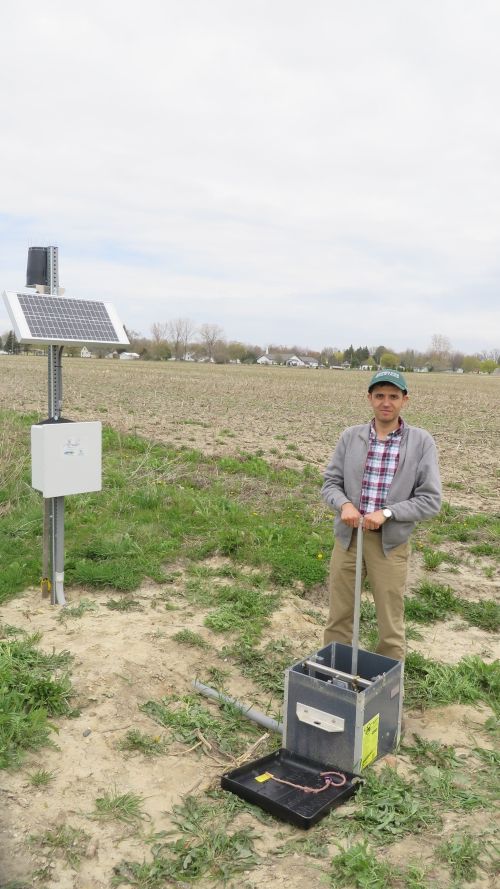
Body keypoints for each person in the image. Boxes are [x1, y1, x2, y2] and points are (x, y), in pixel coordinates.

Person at [321, 369, 441, 662]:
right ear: (369, 399)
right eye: (379, 396)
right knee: (339, 615)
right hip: (349, 540)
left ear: (404, 401)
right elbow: (330, 484)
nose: (386, 402)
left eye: (393, 396)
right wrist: (344, 505)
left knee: (390, 623)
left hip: (389, 546)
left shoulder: (420, 442)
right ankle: (334, 676)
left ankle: (388, 689)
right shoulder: (351, 437)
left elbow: (430, 500)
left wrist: (388, 512)